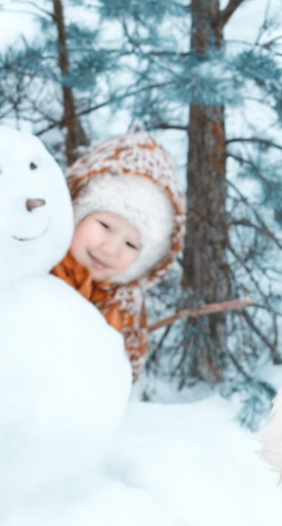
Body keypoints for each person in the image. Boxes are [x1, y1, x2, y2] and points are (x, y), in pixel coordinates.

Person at [52, 132, 185, 381]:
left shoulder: (124, 311)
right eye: (104, 225)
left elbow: (118, 380)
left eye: (131, 244)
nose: (110, 249)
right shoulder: (32, 266)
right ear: (74, 210)